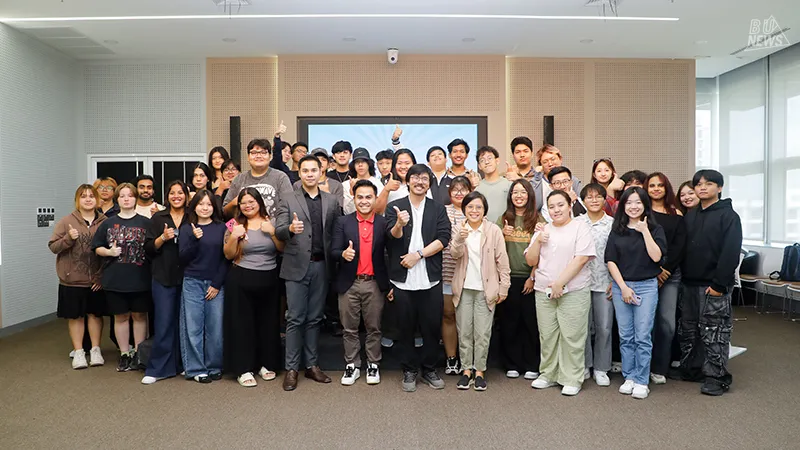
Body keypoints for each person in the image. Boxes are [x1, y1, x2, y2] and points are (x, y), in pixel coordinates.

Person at [275, 155, 343, 391]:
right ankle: (292, 368)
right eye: (305, 170)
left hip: (321, 266)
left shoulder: (331, 200)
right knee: (295, 318)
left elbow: (336, 231)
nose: (310, 174)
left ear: (321, 172)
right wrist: (290, 228)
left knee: (315, 318)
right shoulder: (287, 198)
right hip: (295, 266)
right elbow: (278, 230)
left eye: (314, 170)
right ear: (300, 173)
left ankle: (312, 365)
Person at [385, 164, 451, 392]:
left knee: (431, 327)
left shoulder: (437, 208)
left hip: (430, 278)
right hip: (402, 280)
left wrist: (418, 255)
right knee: (405, 327)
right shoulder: (395, 206)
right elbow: (390, 237)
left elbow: (444, 238)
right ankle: (409, 370)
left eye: (424, 178)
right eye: (415, 177)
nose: (419, 182)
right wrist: (399, 224)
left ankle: (430, 369)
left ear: (429, 183)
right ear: (408, 181)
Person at [525, 190, 595, 396]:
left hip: (573, 290)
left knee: (572, 335)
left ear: (569, 206)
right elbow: (531, 260)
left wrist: (560, 283)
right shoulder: (543, 229)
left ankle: (572, 378)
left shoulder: (580, 227)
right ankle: (548, 374)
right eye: (552, 206)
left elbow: (581, 258)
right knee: (547, 335)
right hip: (543, 291)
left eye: (560, 205)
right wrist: (538, 241)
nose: (556, 210)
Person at [679, 169, 742, 396]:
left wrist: (718, 285)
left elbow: (730, 253)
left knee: (715, 331)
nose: (702, 187)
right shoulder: (691, 215)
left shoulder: (729, 216)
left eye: (708, 184)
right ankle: (692, 369)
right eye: (699, 184)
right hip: (688, 283)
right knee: (689, 329)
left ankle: (716, 377)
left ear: (719, 187)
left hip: (713, 285)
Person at [605, 186, 667, 400]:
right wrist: (622, 287)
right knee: (626, 336)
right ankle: (629, 376)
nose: (633, 206)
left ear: (645, 205)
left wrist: (644, 231)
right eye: (629, 202)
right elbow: (610, 260)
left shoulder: (655, 229)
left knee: (642, 336)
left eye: (638, 202)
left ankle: (641, 380)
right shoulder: (617, 229)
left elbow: (657, 257)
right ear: (623, 205)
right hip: (621, 286)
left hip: (647, 286)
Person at [223, 188, 285, 387]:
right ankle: (244, 369)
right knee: (243, 325)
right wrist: (234, 237)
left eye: (251, 201)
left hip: (269, 278)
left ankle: (267, 364)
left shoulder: (271, 221)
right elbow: (228, 255)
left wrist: (272, 233)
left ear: (259, 202)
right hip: (241, 278)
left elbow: (282, 248)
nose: (247, 206)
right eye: (243, 203)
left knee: (268, 323)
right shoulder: (234, 224)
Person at [449, 191, 510, 391]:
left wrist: (504, 287)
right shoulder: (459, 228)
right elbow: (454, 254)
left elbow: (502, 261)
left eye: (478, 207)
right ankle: (466, 370)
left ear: (484, 210)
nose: (474, 211)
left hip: (486, 289)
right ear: (464, 209)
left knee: (482, 333)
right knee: (464, 332)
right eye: (470, 207)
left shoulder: (493, 230)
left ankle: (480, 371)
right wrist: (459, 239)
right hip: (464, 288)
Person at [330, 180, 390, 385]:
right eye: (360, 197)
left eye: (368, 197)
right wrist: (342, 254)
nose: (364, 201)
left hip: (374, 283)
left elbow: (390, 253)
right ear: (354, 199)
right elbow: (333, 251)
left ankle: (373, 364)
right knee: (349, 328)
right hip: (349, 283)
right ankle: (352, 365)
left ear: (375, 199)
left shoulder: (383, 223)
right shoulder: (343, 222)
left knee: (374, 327)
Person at [91, 183, 151, 372]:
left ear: (135, 198)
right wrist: (109, 252)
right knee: (121, 317)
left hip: (141, 278)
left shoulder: (146, 222)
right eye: (122, 196)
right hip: (115, 279)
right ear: (117, 199)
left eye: (130, 195)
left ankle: (139, 353)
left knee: (140, 316)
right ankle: (124, 353)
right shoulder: (108, 223)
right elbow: (96, 247)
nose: (126, 199)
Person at [48, 184, 107, 369]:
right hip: (72, 280)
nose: (88, 199)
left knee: (95, 315)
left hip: (96, 280)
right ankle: (79, 352)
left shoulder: (106, 222)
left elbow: (110, 251)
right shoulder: (66, 221)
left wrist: (101, 276)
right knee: (75, 317)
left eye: (91, 196)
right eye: (83, 196)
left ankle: (95, 350)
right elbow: (53, 247)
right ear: (77, 200)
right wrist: (68, 239)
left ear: (97, 200)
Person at [141, 181, 190, 385]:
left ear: (186, 196)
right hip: (163, 276)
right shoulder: (158, 218)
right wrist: (162, 237)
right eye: (172, 193)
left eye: (180, 193)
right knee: (163, 323)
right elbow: (148, 248)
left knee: (186, 324)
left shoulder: (193, 216)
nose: (176, 196)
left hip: (190, 277)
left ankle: (182, 364)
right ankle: (159, 368)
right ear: (167, 196)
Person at [178, 189, 229, 383]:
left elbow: (226, 258)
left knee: (215, 327)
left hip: (215, 283)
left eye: (209, 204)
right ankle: (195, 369)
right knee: (193, 328)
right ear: (194, 206)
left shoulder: (222, 228)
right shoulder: (187, 228)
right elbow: (183, 258)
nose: (205, 208)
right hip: (192, 281)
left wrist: (217, 284)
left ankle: (214, 366)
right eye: (201, 204)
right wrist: (194, 239)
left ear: (214, 207)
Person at [497, 179, 544, 380]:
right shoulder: (503, 218)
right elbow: (493, 248)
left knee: (531, 323)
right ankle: (512, 363)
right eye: (515, 192)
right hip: (508, 278)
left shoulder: (538, 219)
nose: (519, 196)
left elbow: (545, 252)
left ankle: (532, 364)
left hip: (531, 278)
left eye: (523, 192)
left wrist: (532, 276)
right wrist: (501, 234)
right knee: (510, 322)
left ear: (529, 195)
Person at [646, 172, 687, 385]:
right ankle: (644, 366)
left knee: (667, 323)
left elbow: (679, 246)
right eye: (652, 185)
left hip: (670, 275)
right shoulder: (641, 213)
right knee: (646, 323)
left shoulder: (676, 213)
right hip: (644, 274)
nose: (656, 189)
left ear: (666, 188)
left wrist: (665, 270)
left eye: (660, 185)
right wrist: (655, 270)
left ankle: (660, 367)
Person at [575, 183, 615, 387]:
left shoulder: (613, 224)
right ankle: (583, 365)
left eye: (598, 196)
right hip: (580, 283)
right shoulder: (576, 223)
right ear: (583, 201)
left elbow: (619, 253)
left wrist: (615, 281)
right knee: (582, 328)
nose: (594, 200)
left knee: (604, 328)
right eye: (589, 197)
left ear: (604, 200)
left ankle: (601, 368)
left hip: (605, 282)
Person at [440, 176, 472, 375]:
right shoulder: (441, 211)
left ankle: (469, 359)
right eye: (455, 189)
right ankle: (451, 358)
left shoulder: (476, 211)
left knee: (468, 319)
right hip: (447, 271)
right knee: (448, 315)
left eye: (464, 189)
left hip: (470, 274)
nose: (459, 193)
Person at [223, 138, 293, 220]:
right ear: (248, 157)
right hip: (244, 227)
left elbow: (290, 207)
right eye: (254, 153)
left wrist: (275, 227)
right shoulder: (239, 179)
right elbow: (225, 213)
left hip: (273, 227)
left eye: (263, 152)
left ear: (270, 156)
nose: (259, 156)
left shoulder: (281, 177)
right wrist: (235, 202)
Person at [474, 145, 512, 223]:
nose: (487, 162)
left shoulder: (509, 184)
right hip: (484, 229)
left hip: (506, 228)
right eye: (482, 160)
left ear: (497, 161)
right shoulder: (477, 188)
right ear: (479, 166)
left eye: (489, 158)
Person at [342, 148, 384, 215]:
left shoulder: (377, 183)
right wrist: (352, 192)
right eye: (357, 162)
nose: (360, 165)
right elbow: (347, 211)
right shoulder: (345, 185)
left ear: (369, 164)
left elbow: (380, 208)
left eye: (363, 162)